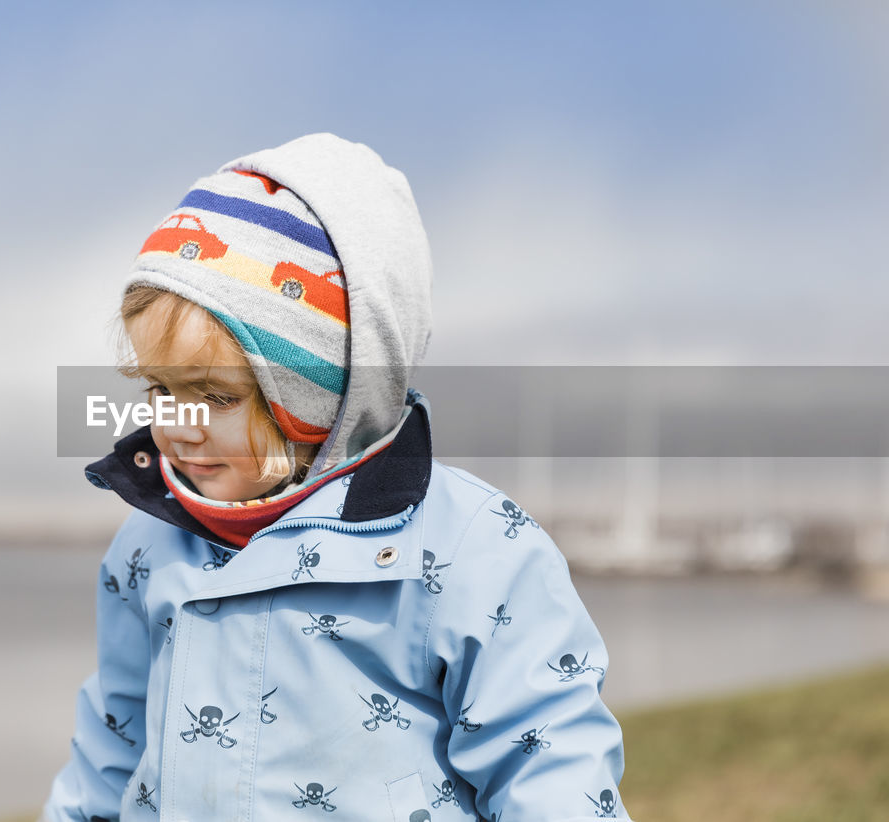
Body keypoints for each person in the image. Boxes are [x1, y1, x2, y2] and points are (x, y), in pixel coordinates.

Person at [45, 133, 629, 821]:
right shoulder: (148, 549)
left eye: (217, 396)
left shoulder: (473, 550)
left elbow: (548, 765)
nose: (178, 423)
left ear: (324, 396)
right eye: (159, 388)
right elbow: (110, 755)